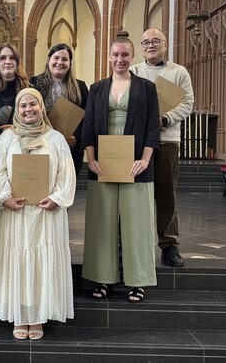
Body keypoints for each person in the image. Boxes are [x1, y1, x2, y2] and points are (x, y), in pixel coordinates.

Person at [0, 88, 76, 341]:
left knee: (40, 260)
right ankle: (20, 314)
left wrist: (57, 198)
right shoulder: (6, 139)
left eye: (33, 105)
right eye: (23, 105)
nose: (28, 110)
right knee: (18, 260)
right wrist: (5, 198)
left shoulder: (56, 138)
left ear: (41, 108)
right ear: (17, 109)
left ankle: (37, 316)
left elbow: (66, 173)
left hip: (47, 213)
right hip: (14, 213)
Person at [81, 31, 160, 304]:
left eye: (125, 55)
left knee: (137, 225)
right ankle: (102, 278)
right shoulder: (97, 89)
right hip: (103, 164)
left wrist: (145, 160)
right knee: (101, 224)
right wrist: (91, 159)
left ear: (132, 56)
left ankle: (137, 281)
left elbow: (152, 127)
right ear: (109, 56)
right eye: (115, 55)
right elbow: (88, 127)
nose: (120, 59)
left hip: (136, 164)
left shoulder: (147, 88)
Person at [129, 28, 193, 268]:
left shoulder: (178, 72)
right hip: (138, 143)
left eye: (155, 41)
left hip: (167, 142)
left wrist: (164, 119)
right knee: (136, 196)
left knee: (166, 194)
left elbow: (187, 102)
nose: (150, 45)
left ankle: (169, 245)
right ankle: (134, 244)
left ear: (165, 44)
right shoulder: (134, 71)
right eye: (145, 42)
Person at [31, 43, 89, 174]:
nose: (60, 62)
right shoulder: (34, 83)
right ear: (48, 60)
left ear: (70, 63)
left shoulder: (80, 87)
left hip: (69, 149)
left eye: (64, 59)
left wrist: (77, 137)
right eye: (56, 58)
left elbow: (88, 119)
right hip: (41, 146)